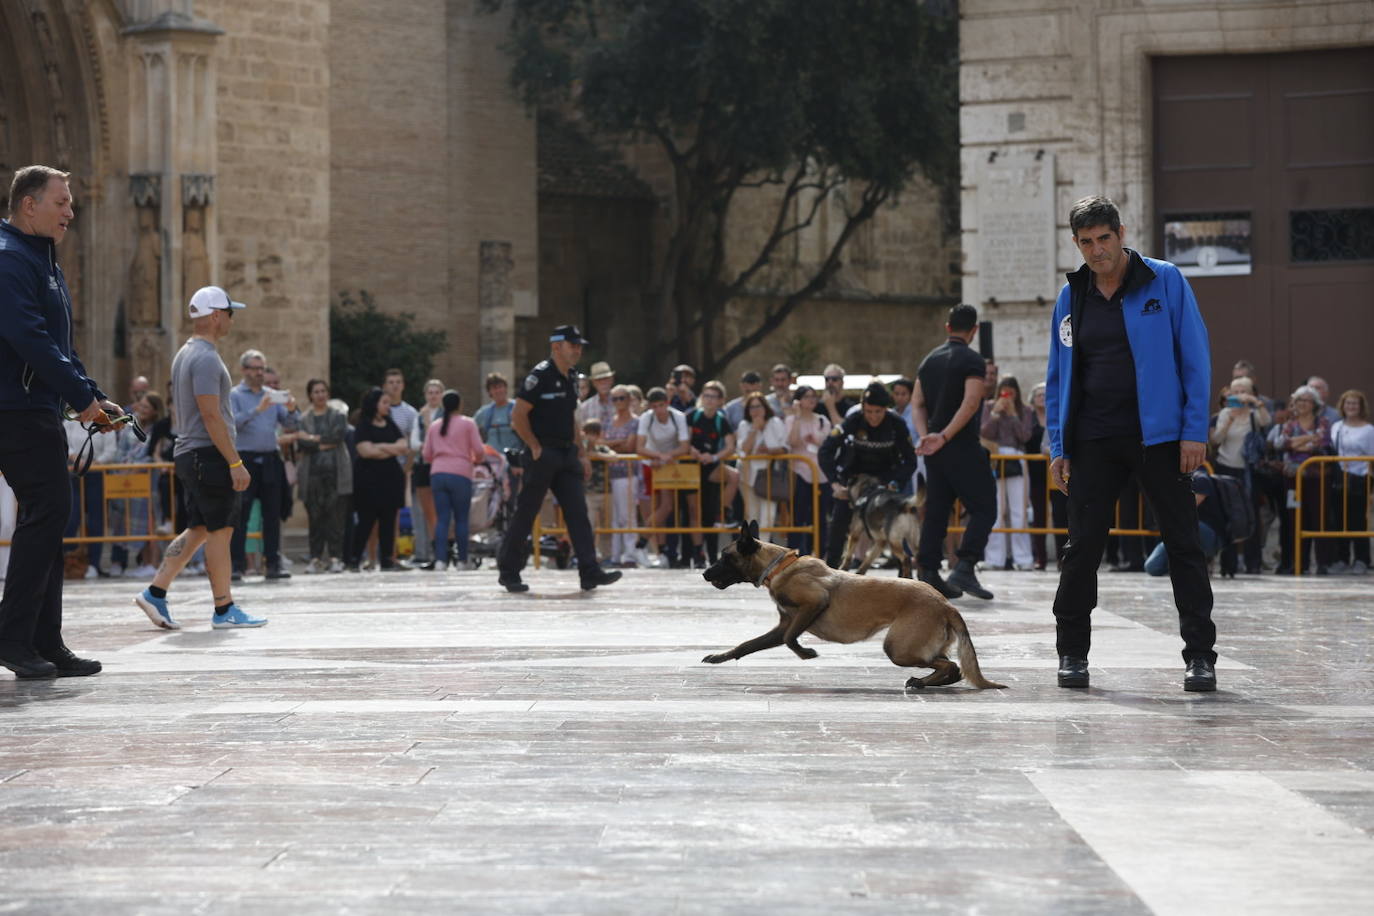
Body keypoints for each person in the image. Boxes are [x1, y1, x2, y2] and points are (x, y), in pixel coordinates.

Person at [1044, 195, 1216, 691]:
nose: (1097, 251)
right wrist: (1059, 445)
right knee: (1082, 550)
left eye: (1104, 239)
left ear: (1121, 233)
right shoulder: (1070, 296)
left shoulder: (1165, 280)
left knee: (1184, 545)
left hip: (1160, 438)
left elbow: (1195, 358)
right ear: (1076, 244)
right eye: (1086, 243)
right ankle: (1072, 653)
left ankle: (1200, 656)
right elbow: (1058, 377)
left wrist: (1193, 430)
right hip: (1094, 439)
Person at [0, 166, 122, 677]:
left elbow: (60, 344)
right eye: (62, 202)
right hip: (14, 409)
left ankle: (44, 640)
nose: (71, 211)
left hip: (36, 407)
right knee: (49, 512)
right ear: (29, 205)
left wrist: (91, 395)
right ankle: (14, 636)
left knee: (50, 517)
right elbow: (29, 339)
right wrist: (81, 399)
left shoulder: (42, 260)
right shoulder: (9, 261)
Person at [134, 286, 266, 633]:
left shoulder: (184, 353)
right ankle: (224, 608)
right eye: (229, 312)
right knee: (221, 531)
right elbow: (211, 415)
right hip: (207, 455)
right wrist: (235, 462)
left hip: (189, 453)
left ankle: (155, 591)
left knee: (199, 529)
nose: (232, 319)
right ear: (216, 315)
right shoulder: (206, 358)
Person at [496, 325, 621, 593]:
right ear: (556, 347)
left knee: (578, 513)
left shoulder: (573, 377)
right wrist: (533, 445)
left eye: (579, 345)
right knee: (526, 513)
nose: (577, 350)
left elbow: (572, 418)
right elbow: (517, 416)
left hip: (566, 454)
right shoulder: (539, 377)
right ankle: (509, 572)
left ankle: (590, 571)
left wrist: (582, 453)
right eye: (572, 345)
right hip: (543, 454)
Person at [912, 304, 998, 600]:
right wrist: (946, 436)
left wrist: (927, 437)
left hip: (935, 448)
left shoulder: (928, 360)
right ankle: (965, 565)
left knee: (937, 509)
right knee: (985, 507)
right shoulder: (972, 360)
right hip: (959, 444)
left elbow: (917, 403)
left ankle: (928, 571)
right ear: (973, 331)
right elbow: (972, 402)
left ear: (948, 327)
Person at [820, 381, 917, 568]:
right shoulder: (853, 420)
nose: (873, 417)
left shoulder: (897, 423)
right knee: (839, 523)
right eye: (869, 411)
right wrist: (834, 483)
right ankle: (830, 568)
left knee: (895, 522)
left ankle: (904, 572)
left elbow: (910, 460)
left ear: (886, 409)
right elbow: (825, 451)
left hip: (885, 481)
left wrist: (896, 482)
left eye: (878, 412)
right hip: (854, 480)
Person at [228, 348, 297, 580]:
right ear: (244, 370)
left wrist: (291, 409)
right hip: (245, 460)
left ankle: (273, 564)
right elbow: (232, 424)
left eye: (262, 369)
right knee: (242, 514)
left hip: (270, 459)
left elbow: (290, 423)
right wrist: (257, 410)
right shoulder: (235, 395)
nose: (259, 373)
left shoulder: (272, 394)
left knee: (272, 513)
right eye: (255, 369)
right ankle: (237, 564)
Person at [1208, 375, 1270, 574]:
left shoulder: (1255, 412)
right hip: (1226, 467)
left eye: (1244, 391)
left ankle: (1253, 563)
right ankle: (1229, 564)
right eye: (1235, 391)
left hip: (1249, 471)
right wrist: (1230, 420)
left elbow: (1266, 421)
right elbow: (1216, 439)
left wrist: (1256, 403)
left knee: (1251, 515)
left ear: (1251, 393)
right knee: (1228, 516)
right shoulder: (1226, 413)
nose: (1239, 395)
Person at [348, 387, 411, 572]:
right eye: (384, 403)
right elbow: (365, 451)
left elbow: (403, 446)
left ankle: (387, 559)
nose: (387, 406)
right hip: (368, 481)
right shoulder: (364, 425)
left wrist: (380, 447)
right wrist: (390, 449)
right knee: (366, 521)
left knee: (388, 521)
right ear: (374, 404)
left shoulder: (390, 423)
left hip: (390, 479)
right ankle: (354, 558)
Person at [422, 389, 485, 570]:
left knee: (442, 519)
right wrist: (475, 460)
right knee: (461, 519)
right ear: (460, 404)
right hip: (461, 473)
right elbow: (479, 450)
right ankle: (461, 560)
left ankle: (441, 560)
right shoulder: (468, 423)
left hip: (438, 474)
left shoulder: (435, 426)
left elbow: (426, 454)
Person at [295, 379, 351, 574]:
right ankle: (316, 558)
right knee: (315, 518)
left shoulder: (338, 415)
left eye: (323, 391)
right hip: (312, 475)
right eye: (316, 392)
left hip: (336, 473)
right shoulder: (304, 419)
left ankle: (336, 558)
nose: (320, 395)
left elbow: (337, 436)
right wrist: (319, 442)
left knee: (335, 518)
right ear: (310, 395)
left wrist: (312, 439)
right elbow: (302, 445)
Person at [981, 374, 1036, 571]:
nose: (1007, 396)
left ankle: (1023, 558)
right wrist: (996, 414)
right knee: (996, 509)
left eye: (1011, 392)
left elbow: (1025, 435)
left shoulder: (1026, 410)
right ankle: (994, 558)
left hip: (1017, 457)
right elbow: (985, 432)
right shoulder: (988, 407)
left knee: (1018, 510)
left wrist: (1013, 415)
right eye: (1004, 391)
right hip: (995, 457)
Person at [633, 387, 691, 567]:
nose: (659, 409)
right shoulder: (646, 418)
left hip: (669, 463)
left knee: (665, 508)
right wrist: (658, 456)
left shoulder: (678, 417)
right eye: (655, 406)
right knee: (658, 509)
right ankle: (658, 549)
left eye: (662, 405)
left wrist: (666, 457)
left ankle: (642, 544)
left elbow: (684, 446)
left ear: (667, 403)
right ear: (650, 406)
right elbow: (640, 447)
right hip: (653, 463)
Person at [685, 380, 738, 565]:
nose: (708, 400)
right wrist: (693, 451)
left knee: (734, 475)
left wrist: (714, 457)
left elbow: (731, 446)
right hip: (691, 467)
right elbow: (685, 440)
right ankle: (698, 554)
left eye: (713, 397)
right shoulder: (692, 415)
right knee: (694, 512)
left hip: (711, 467)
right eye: (706, 396)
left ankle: (722, 511)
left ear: (720, 400)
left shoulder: (720, 419)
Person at [1145, 468, 1225, 576]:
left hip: (1207, 534)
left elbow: (1185, 510)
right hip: (1188, 534)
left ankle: (1195, 561)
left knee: (1178, 522)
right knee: (1152, 567)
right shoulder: (1179, 478)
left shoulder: (1201, 478)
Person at [1328, 389, 1373, 575]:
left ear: (1361, 407)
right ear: (1342, 406)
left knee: (1357, 520)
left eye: (1355, 404)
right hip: (1339, 478)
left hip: (1360, 478)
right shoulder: (1336, 426)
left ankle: (1362, 559)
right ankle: (1341, 558)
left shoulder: (1369, 430)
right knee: (1339, 519)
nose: (1351, 407)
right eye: (1348, 403)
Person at [784, 384, 832, 556]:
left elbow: (828, 445)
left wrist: (816, 440)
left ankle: (819, 553)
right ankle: (796, 553)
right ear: (798, 400)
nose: (811, 399)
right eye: (806, 396)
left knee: (820, 517)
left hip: (821, 475)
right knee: (798, 515)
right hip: (799, 473)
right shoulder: (790, 420)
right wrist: (796, 417)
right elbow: (793, 442)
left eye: (813, 396)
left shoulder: (822, 420)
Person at [736, 393, 789, 542]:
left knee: (768, 516)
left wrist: (768, 450)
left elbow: (785, 448)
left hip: (770, 476)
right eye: (752, 407)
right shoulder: (744, 425)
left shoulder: (775, 422)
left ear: (765, 407)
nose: (755, 410)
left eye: (758, 406)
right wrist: (754, 429)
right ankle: (753, 549)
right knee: (752, 516)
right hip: (748, 477)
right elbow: (744, 449)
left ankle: (763, 548)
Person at [601, 385, 641, 567]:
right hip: (610, 475)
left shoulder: (635, 421)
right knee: (615, 517)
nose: (618, 402)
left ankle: (630, 554)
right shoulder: (609, 421)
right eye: (614, 399)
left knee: (628, 515)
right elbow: (601, 443)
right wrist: (617, 443)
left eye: (622, 398)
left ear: (629, 399)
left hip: (628, 473)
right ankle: (616, 556)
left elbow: (630, 447)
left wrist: (611, 445)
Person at [410, 378, 445, 567]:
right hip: (423, 465)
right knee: (424, 511)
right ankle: (425, 551)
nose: (433, 396)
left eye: (436, 392)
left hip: (441, 465)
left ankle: (440, 551)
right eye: (430, 392)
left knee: (440, 510)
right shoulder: (419, 415)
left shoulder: (446, 414)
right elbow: (414, 443)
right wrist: (429, 447)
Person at [474, 372, 522, 454]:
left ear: (506, 388)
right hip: (493, 459)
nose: (498, 391)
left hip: (514, 459)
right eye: (494, 388)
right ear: (489, 392)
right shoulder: (484, 412)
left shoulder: (517, 408)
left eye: (500, 387)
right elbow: (469, 429)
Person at [578, 361, 616, 428]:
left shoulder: (622, 400)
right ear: (593, 383)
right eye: (599, 380)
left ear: (611, 379)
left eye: (606, 379)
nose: (603, 383)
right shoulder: (585, 407)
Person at [820, 364, 857, 428]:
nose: (830, 382)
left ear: (842, 382)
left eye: (834, 379)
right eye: (827, 379)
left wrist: (831, 408)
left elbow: (844, 430)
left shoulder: (850, 407)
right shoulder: (817, 406)